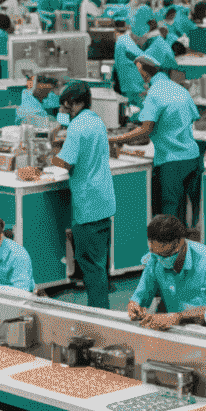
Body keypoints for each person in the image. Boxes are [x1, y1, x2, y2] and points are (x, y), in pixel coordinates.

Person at [51, 80, 116, 308]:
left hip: (87, 204)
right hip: (103, 202)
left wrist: (49, 156)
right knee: (99, 264)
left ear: (74, 103)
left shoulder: (77, 127)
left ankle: (99, 315)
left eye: (65, 105)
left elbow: (65, 163)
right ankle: (102, 309)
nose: (63, 110)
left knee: (90, 266)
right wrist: (59, 124)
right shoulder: (96, 121)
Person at [117, 56, 203, 225]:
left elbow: (144, 130)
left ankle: (170, 249)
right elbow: (193, 117)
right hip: (193, 158)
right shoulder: (180, 90)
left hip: (172, 162)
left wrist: (117, 139)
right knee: (186, 213)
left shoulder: (155, 93)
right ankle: (183, 246)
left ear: (143, 72)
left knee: (170, 216)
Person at [126, 214, 206, 329]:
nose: (160, 259)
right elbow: (141, 295)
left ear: (180, 242)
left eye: (165, 255)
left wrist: (178, 317)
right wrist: (134, 306)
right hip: (173, 329)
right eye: (154, 252)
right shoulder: (155, 258)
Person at [113, 22, 148, 103]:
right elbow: (142, 58)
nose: (143, 41)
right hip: (134, 88)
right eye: (143, 37)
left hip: (130, 87)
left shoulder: (123, 40)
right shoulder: (125, 41)